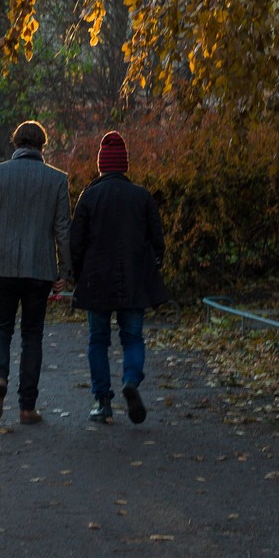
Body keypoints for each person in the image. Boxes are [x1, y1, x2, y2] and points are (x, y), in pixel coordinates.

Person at [0, 120, 71, 426]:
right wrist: (65, 269)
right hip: (39, 268)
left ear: (15, 143)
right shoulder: (56, 180)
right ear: (42, 145)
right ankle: (27, 407)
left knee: (0, 328)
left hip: (1, 266)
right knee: (32, 336)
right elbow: (63, 229)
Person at [69, 130, 168, 425]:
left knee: (98, 340)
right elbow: (158, 241)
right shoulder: (142, 196)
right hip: (134, 279)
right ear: (124, 165)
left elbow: (76, 242)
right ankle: (131, 382)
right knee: (133, 338)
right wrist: (153, 265)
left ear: (101, 164)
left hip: (97, 280)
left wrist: (78, 275)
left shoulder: (89, 196)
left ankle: (102, 402)